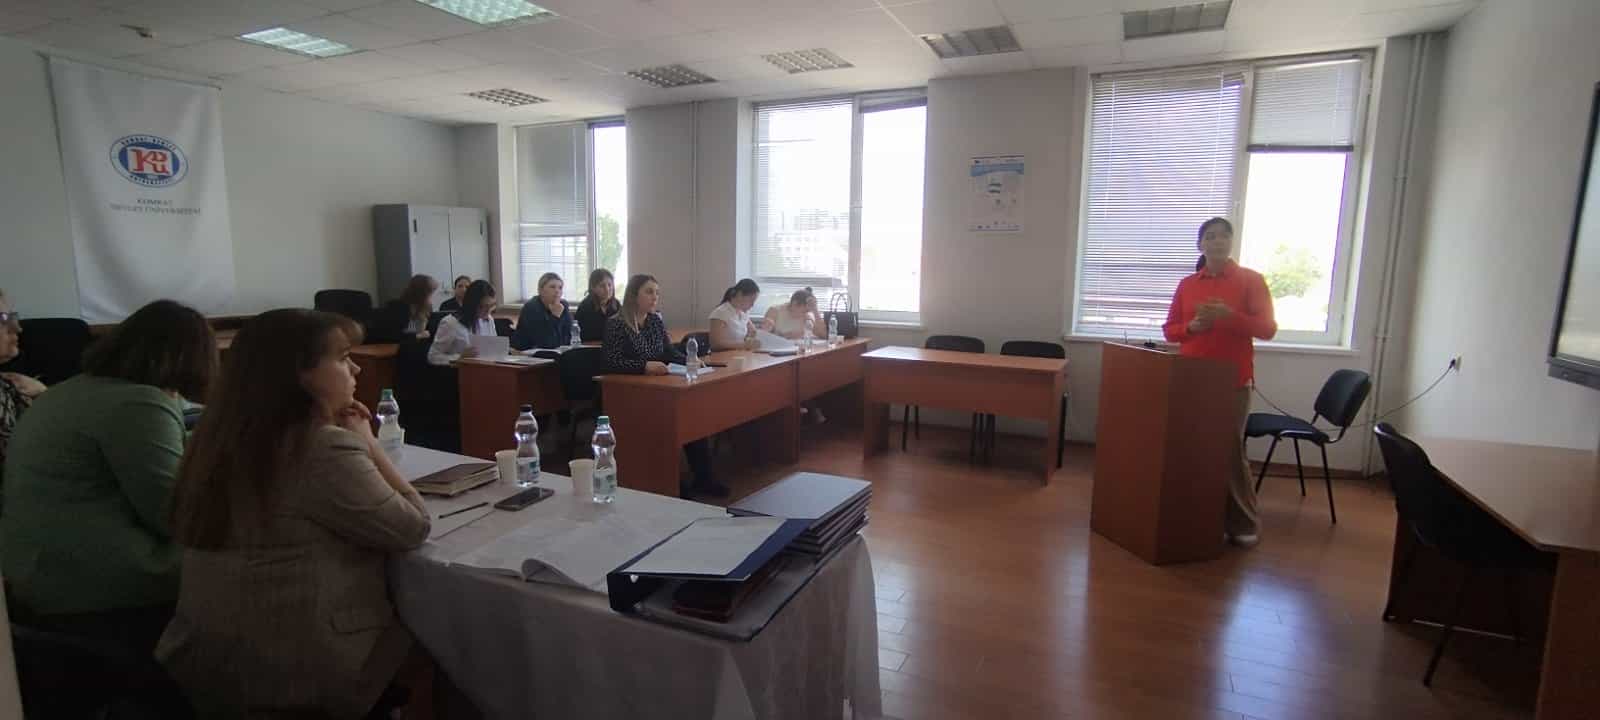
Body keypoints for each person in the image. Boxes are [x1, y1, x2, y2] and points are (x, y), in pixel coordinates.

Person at [158, 308, 431, 718]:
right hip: (295, 669)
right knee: (447, 642)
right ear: (299, 375)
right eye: (343, 358)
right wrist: (369, 442)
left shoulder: (214, 438)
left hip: (208, 657)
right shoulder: (322, 447)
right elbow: (413, 526)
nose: (356, 368)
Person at [0, 300, 216, 656]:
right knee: (253, 561)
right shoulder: (137, 403)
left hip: (37, 577)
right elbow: (176, 517)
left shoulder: (73, 390)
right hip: (97, 590)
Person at [1162, 217, 1277, 548]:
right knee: (1192, 448)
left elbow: (1267, 329)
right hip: (1191, 378)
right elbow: (1170, 330)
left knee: (1229, 451)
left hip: (1232, 379)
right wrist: (1192, 328)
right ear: (1200, 245)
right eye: (1210, 237)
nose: (1217, 242)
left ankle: (1243, 522)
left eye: (1223, 236)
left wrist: (1230, 317)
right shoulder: (1187, 284)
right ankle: (1198, 517)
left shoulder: (1250, 280)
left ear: (1231, 242)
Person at [603, 274, 725, 497]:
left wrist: (689, 360)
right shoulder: (616, 324)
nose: (655, 297)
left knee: (692, 417)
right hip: (630, 392)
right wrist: (643, 366)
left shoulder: (655, 321)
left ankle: (704, 478)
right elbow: (611, 362)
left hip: (660, 387)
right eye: (649, 292)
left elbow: (668, 352)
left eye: (657, 293)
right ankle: (669, 481)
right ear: (634, 295)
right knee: (666, 423)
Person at [0, 290, 45, 484]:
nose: (17, 328)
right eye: (3, 319)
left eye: (12, 317)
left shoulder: (15, 384)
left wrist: (43, 393)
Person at [429, 279, 499, 366]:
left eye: (491, 306)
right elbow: (433, 357)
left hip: (485, 367)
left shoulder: (489, 319)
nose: (488, 311)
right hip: (460, 370)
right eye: (483, 306)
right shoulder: (450, 323)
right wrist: (459, 357)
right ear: (472, 304)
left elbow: (493, 346)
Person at [511, 272, 572, 351]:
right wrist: (555, 317)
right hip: (527, 352)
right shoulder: (532, 308)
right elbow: (545, 342)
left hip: (556, 351)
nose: (557, 291)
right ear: (541, 290)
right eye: (552, 287)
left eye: (560, 288)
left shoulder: (563, 305)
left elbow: (567, 337)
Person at [708, 278, 769, 351]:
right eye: (751, 300)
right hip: (723, 355)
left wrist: (764, 328)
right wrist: (745, 345)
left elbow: (753, 332)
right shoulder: (720, 313)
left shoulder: (743, 313)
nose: (752, 305)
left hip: (739, 354)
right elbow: (715, 344)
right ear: (740, 294)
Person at [372, 274, 436, 343]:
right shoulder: (397, 307)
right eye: (430, 293)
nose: (431, 297)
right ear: (421, 293)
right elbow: (394, 335)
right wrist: (419, 335)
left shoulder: (425, 309)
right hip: (395, 346)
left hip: (416, 346)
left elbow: (427, 332)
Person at [574, 268, 620, 343]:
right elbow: (583, 338)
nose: (607, 289)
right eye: (602, 286)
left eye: (610, 285)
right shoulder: (586, 306)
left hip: (612, 346)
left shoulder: (616, 304)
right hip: (591, 347)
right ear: (593, 288)